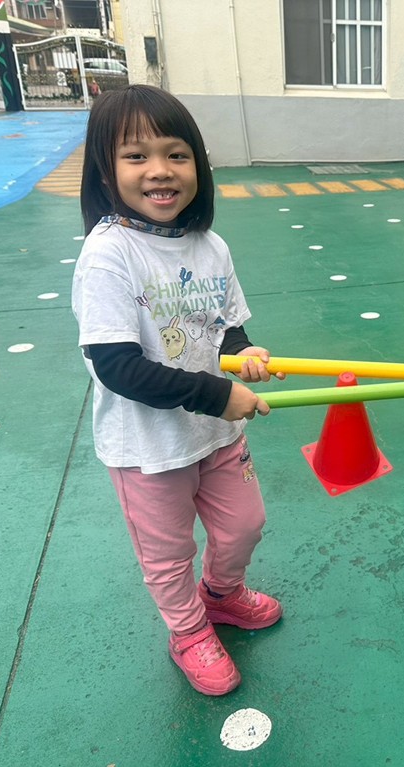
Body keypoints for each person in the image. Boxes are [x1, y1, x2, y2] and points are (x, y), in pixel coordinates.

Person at [72, 85, 284, 696]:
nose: (160, 170)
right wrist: (217, 395)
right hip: (148, 448)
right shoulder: (109, 255)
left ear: (198, 165)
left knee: (245, 525)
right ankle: (188, 631)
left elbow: (224, 326)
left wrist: (243, 353)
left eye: (177, 154)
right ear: (106, 171)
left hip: (216, 434)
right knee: (167, 556)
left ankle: (221, 595)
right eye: (136, 156)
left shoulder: (211, 246)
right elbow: (116, 366)